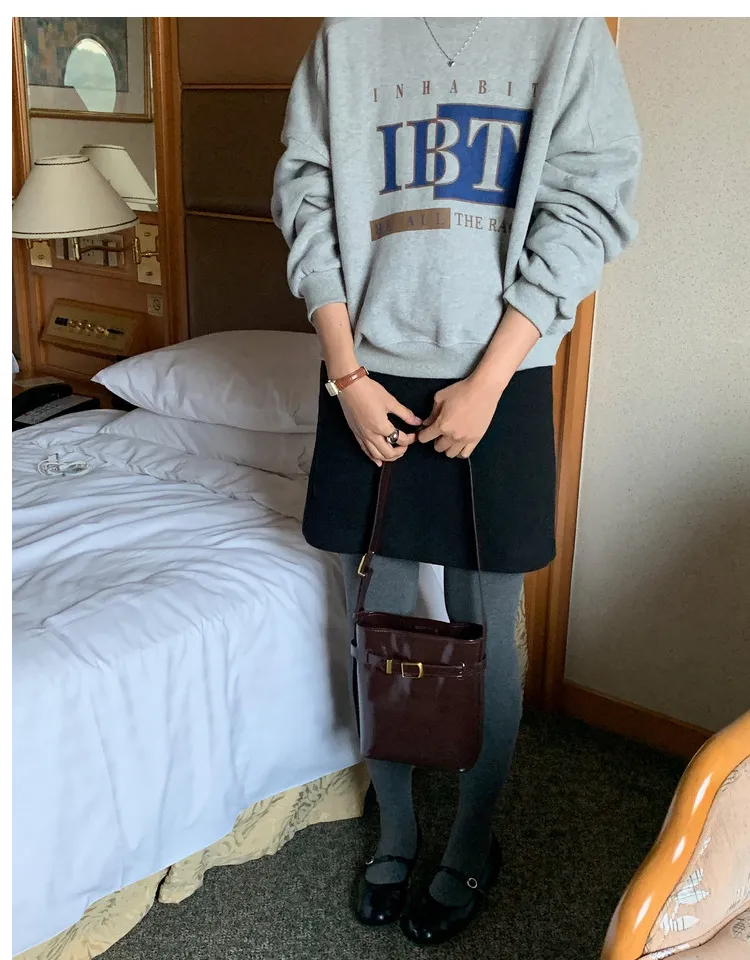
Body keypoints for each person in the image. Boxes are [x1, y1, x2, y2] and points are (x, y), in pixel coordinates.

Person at [271, 17, 641, 946]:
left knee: (488, 628)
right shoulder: (349, 34)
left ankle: (474, 837)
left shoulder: (565, 32)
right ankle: (397, 830)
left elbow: (588, 205)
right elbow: (304, 192)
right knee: (378, 622)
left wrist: (488, 380)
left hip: (501, 375)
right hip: (364, 373)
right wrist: (347, 374)